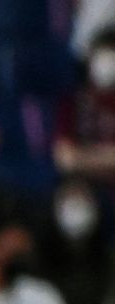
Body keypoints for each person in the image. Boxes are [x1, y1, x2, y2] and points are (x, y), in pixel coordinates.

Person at [55, 27, 115, 187]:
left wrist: (82, 157)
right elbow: (64, 158)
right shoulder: (74, 100)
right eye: (102, 58)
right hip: (86, 189)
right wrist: (103, 157)